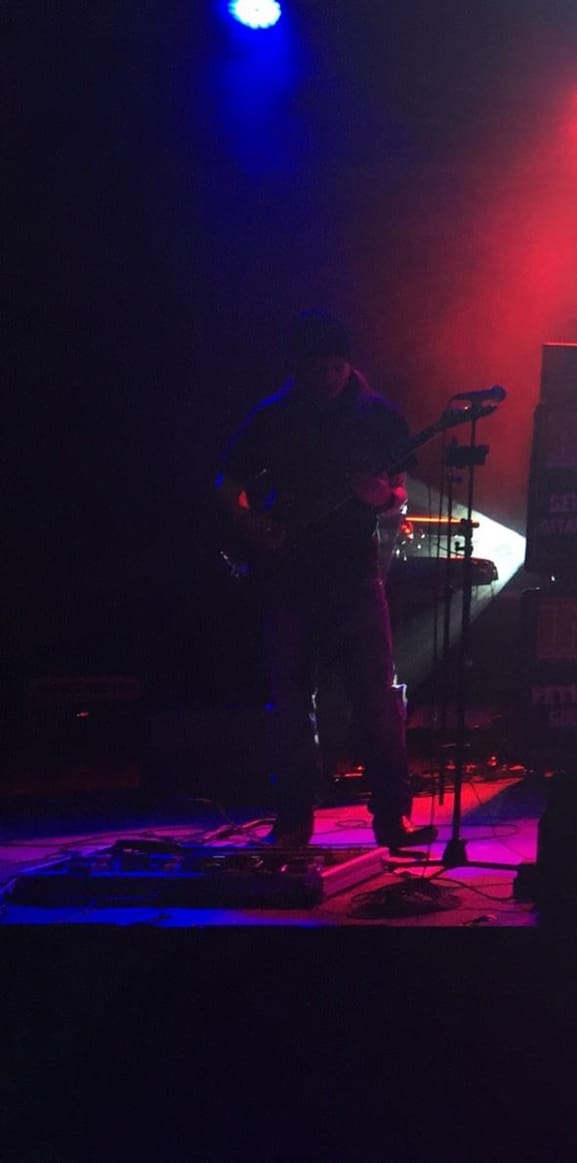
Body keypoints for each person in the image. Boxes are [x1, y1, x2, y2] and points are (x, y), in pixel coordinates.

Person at [215, 311, 432, 849]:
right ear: (300, 368)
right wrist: (249, 523)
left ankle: (392, 816)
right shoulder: (273, 417)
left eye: (337, 367)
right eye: (319, 369)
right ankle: (293, 819)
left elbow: (399, 491)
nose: (329, 378)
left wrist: (381, 496)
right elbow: (227, 482)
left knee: (377, 700)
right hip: (289, 577)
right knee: (290, 703)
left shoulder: (378, 416)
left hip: (355, 575)